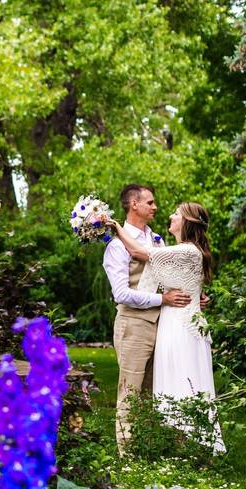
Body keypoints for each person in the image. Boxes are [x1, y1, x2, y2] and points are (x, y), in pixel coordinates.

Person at [107, 202, 226, 454]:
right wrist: (198, 295)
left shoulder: (186, 250)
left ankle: (193, 447)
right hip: (171, 321)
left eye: (177, 214)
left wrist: (116, 226)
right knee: (171, 385)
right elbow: (171, 281)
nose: (169, 215)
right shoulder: (180, 250)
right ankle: (173, 447)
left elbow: (141, 254)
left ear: (188, 222)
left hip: (181, 326)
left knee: (184, 383)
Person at [102, 184, 191, 456]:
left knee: (156, 391)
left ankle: (150, 451)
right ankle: (127, 456)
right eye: (150, 203)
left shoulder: (157, 241)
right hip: (134, 325)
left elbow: (166, 282)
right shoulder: (116, 246)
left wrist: (191, 296)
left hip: (164, 326)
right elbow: (122, 294)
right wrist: (162, 300)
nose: (155, 207)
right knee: (130, 391)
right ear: (133, 205)